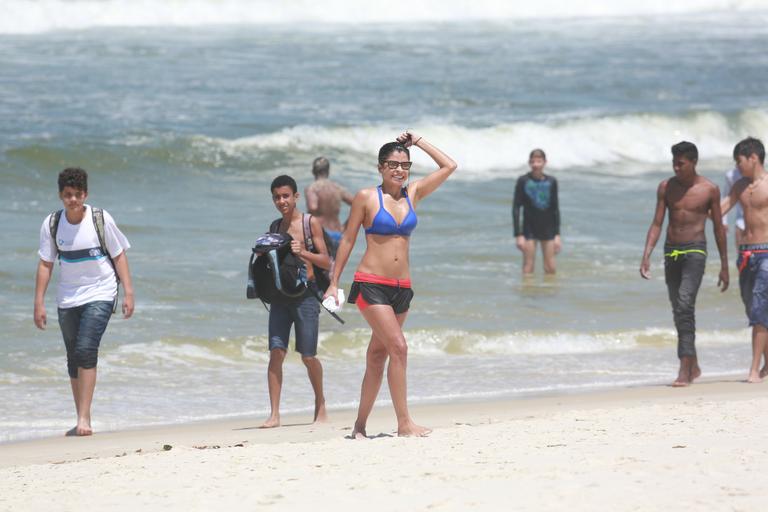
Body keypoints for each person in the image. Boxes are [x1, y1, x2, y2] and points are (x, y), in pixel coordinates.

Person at [324, 131, 457, 438]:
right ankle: (404, 424)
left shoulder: (414, 194)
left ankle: (359, 427)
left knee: (377, 356)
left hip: (402, 289)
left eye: (404, 165)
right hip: (370, 284)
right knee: (399, 347)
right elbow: (347, 239)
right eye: (392, 164)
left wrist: (418, 142)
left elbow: (449, 166)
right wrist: (333, 282)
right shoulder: (366, 197)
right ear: (380, 167)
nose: (399, 170)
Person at [33, 167, 135, 436]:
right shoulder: (52, 224)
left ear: (85, 194)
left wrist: (128, 292)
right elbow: (46, 264)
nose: (73, 200)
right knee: (73, 356)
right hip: (67, 297)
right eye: (68, 195)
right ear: (60, 196)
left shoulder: (100, 219)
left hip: (101, 292)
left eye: (78, 195)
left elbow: (119, 255)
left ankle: (84, 419)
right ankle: (80, 415)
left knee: (86, 349)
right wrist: (38, 302)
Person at [640, 142, 728, 387]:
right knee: (679, 309)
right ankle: (694, 363)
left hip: (695, 250)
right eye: (674, 163)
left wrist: (724, 265)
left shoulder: (709, 189)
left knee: (684, 303)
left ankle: (684, 366)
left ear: (693, 162)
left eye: (681, 163)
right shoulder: (666, 187)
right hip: (672, 251)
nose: (676, 168)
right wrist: (646, 254)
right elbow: (657, 223)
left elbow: (718, 228)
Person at [261, 175, 331, 428]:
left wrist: (305, 253)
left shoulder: (310, 223)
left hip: (306, 298)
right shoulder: (275, 226)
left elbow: (326, 261)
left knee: (308, 356)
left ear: (296, 196)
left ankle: (320, 404)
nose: (282, 201)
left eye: (285, 196)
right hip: (281, 298)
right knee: (276, 352)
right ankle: (275, 414)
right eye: (277, 197)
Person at [721, 137, 768, 383]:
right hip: (745, 254)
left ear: (753, 158)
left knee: (760, 310)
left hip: (766, 253)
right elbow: (721, 208)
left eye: (739, 161)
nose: (737, 166)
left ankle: (753, 369)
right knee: (752, 308)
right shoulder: (740, 186)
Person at [512, 149, 562, 274]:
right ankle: (528, 292)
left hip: (548, 229)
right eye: (533, 161)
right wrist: (518, 235)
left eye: (539, 161)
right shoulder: (523, 181)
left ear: (545, 162)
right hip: (529, 230)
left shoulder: (552, 181)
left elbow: (555, 208)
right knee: (528, 267)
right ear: (529, 163)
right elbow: (516, 208)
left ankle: (549, 292)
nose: (536, 164)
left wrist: (557, 235)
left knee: (550, 267)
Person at [305, 156, 354, 247]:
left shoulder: (312, 188)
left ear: (313, 172)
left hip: (321, 233)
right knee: (335, 261)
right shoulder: (338, 188)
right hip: (338, 232)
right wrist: (345, 226)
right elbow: (356, 204)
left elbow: (313, 206)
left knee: (318, 261)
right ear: (328, 171)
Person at [722, 166, 746, 249]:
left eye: (740, 161)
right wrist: (723, 221)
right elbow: (726, 197)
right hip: (740, 221)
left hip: (760, 225)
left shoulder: (763, 178)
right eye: (737, 161)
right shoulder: (731, 175)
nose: (738, 164)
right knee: (741, 256)